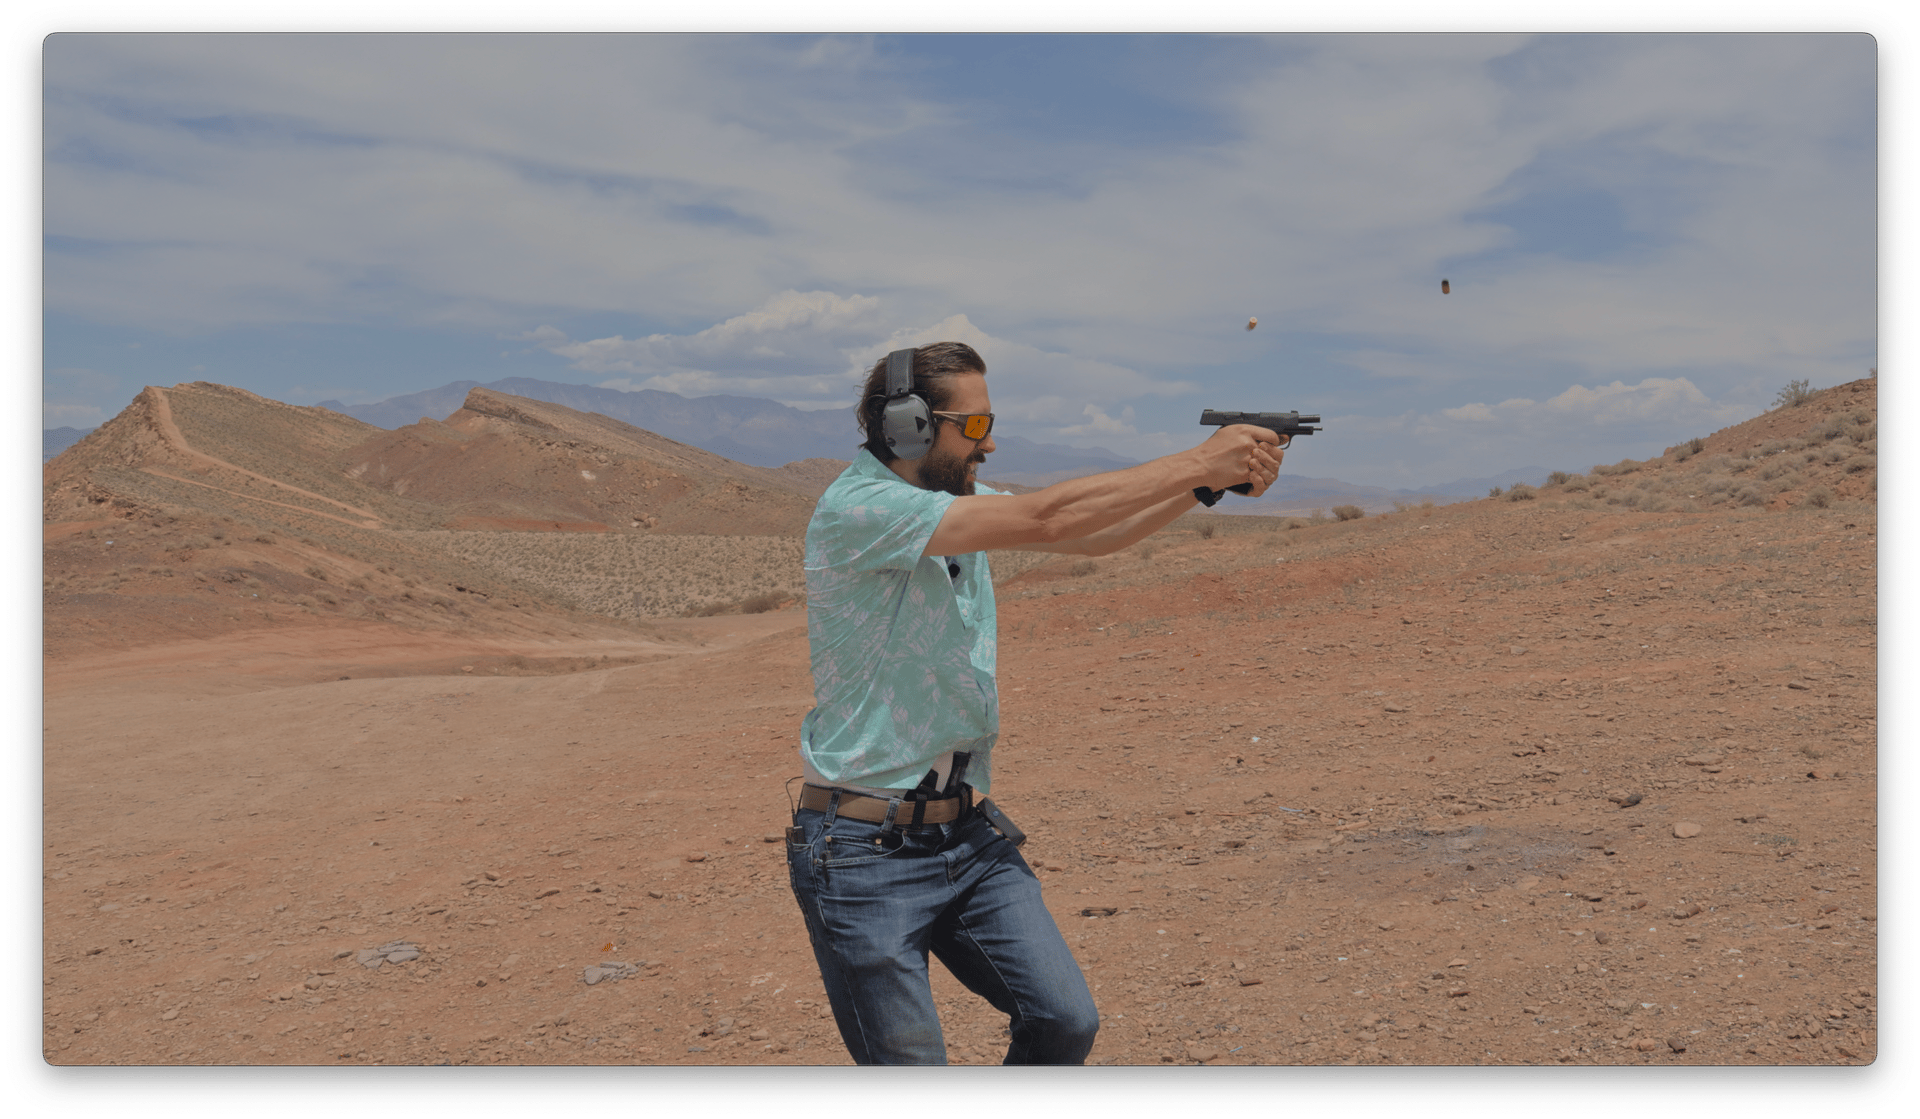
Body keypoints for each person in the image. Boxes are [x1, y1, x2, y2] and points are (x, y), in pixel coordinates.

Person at [786, 341, 1284, 1065]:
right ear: (909, 426)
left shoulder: (951, 503)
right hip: (864, 851)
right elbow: (1050, 517)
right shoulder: (860, 508)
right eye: (975, 426)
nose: (988, 444)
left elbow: (1094, 533)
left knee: (1063, 1019)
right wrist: (1200, 461)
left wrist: (1208, 487)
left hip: (963, 833)